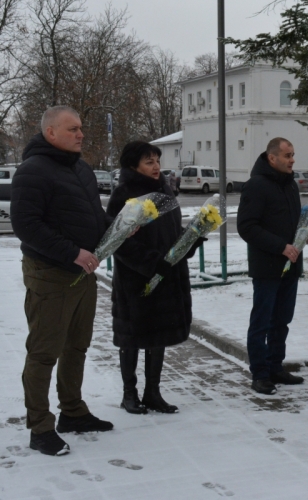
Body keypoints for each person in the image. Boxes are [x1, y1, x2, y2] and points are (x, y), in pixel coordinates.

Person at [10, 106, 113, 457]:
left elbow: (92, 216)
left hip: (83, 273)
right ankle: (40, 427)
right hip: (51, 274)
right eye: (73, 129)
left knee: (77, 346)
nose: (81, 134)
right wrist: (72, 253)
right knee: (44, 352)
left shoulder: (81, 168)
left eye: (81, 128)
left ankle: (73, 412)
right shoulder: (32, 171)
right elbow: (26, 224)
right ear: (50, 133)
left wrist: (120, 227)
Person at [108, 141, 199, 416]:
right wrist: (150, 263)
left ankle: (153, 392)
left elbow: (172, 229)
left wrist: (192, 238)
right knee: (132, 337)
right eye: (149, 162)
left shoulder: (165, 191)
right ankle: (129, 394)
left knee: (158, 334)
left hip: (167, 275)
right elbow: (116, 240)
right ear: (133, 165)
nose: (156, 166)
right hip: (137, 279)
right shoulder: (124, 194)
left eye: (157, 160)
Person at [237, 137, 308, 395]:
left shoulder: (291, 185)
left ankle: (275, 367)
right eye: (287, 155)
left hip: (290, 264)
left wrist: (306, 232)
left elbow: (292, 223)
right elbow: (246, 227)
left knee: (282, 320)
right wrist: (280, 246)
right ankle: (260, 374)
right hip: (267, 266)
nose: (292, 159)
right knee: (262, 321)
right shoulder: (256, 185)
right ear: (272, 158)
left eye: (293, 154)